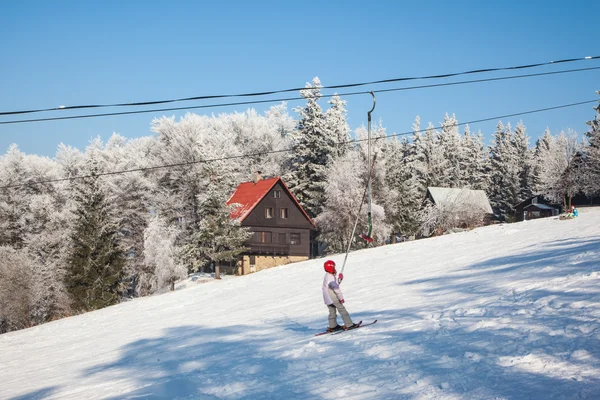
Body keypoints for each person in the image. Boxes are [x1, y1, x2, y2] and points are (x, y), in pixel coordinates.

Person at [322, 260, 358, 332]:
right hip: (332, 296)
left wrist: (339, 279)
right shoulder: (331, 277)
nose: (335, 268)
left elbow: (334, 284)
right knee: (342, 309)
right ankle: (349, 324)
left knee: (332, 311)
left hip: (326, 297)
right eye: (334, 266)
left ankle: (333, 326)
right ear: (332, 267)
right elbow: (336, 289)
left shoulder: (327, 276)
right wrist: (341, 298)